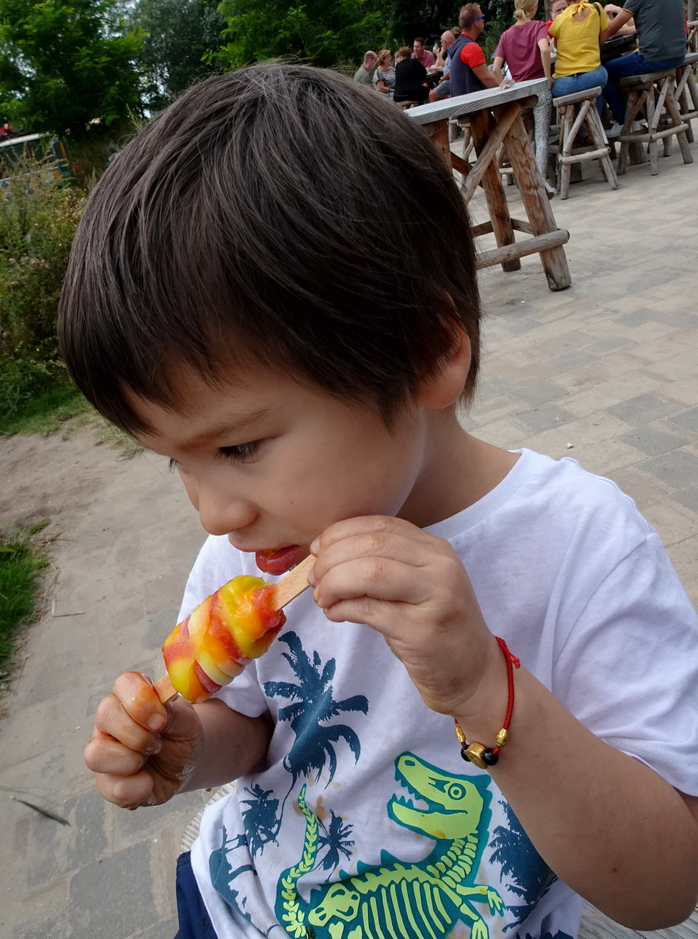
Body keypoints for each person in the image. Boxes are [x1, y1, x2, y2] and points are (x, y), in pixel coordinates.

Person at [60, 63, 698, 939]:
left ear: (431, 352)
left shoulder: (582, 548)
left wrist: (484, 686)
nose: (214, 514)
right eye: (177, 461)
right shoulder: (246, 554)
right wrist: (191, 748)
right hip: (235, 907)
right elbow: (255, 729)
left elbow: (665, 889)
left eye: (239, 446)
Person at [601, 0, 688, 137]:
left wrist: (591, 42)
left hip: (653, 58)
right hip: (679, 54)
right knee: (627, 71)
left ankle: (625, 121)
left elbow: (611, 28)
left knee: (603, 71)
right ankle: (642, 115)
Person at [493, 0, 553, 190]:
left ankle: (528, 178)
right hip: (538, 89)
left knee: (528, 135)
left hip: (519, 94)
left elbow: (495, 68)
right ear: (534, 6)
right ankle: (541, 179)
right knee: (542, 136)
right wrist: (547, 78)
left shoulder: (506, 35)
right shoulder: (538, 26)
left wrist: (507, 87)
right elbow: (545, 50)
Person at [549, 0, 608, 113]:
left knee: (574, 93)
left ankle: (581, 131)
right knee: (601, 76)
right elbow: (603, 37)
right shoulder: (596, 9)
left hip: (564, 85)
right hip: (592, 78)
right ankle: (594, 130)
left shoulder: (559, 19)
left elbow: (555, 46)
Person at [447, 4, 500, 95]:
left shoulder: (458, 45)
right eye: (482, 17)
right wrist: (503, 89)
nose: (483, 20)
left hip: (461, 103)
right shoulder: (471, 47)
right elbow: (488, 79)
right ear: (476, 23)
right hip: (473, 106)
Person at [429, 29, 456, 100]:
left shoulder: (453, 52)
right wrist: (435, 68)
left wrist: (442, 78)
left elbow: (451, 69)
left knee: (432, 94)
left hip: (451, 80)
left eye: (441, 42)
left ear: (445, 42)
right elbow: (445, 66)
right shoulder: (450, 52)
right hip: (449, 79)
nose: (441, 45)